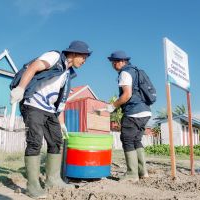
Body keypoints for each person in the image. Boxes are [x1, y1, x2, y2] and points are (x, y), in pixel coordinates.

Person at [10, 41, 92, 198]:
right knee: (35, 142)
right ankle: (32, 185)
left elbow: (59, 101)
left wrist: (62, 124)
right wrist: (20, 88)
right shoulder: (54, 57)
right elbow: (34, 67)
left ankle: (52, 179)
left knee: (56, 142)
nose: (84, 61)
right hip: (33, 104)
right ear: (73, 53)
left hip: (50, 110)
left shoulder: (67, 74)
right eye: (83, 57)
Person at [106, 51, 152, 182]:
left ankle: (132, 174)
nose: (113, 65)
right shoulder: (136, 71)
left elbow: (126, 95)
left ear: (122, 61)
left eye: (115, 62)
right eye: (112, 62)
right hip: (145, 111)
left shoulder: (125, 73)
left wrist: (113, 106)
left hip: (134, 112)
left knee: (127, 139)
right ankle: (143, 172)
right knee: (136, 140)